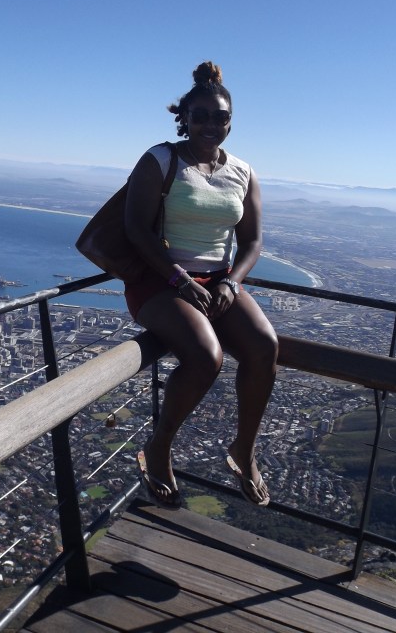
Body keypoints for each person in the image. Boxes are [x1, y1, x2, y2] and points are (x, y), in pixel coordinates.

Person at [124, 61, 278, 508]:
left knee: (265, 346)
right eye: (202, 116)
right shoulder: (161, 160)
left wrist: (231, 283)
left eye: (221, 118)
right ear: (185, 118)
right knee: (205, 357)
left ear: (231, 122)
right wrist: (177, 277)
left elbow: (251, 241)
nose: (212, 125)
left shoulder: (244, 172)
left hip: (217, 282)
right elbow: (136, 229)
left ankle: (244, 450)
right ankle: (158, 447)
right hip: (159, 279)